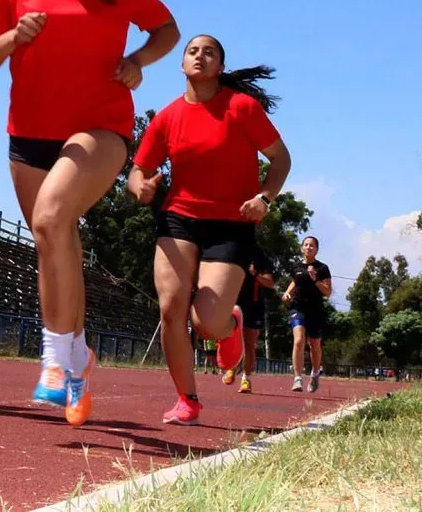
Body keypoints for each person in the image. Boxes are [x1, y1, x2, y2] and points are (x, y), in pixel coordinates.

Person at [0, 0, 180, 427]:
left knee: (53, 215)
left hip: (99, 126)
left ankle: (56, 362)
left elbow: (166, 30)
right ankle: (80, 356)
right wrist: (14, 37)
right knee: (50, 239)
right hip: (29, 133)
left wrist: (137, 62)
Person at [128, 34, 291, 426]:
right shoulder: (167, 118)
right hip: (178, 218)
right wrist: (141, 186)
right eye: (192, 51)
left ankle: (230, 325)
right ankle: (187, 399)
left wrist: (264, 199)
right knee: (170, 307)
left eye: (210, 52)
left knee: (206, 323)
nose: (200, 56)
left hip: (231, 222)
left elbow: (280, 159)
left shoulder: (242, 108)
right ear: (182, 64)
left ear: (220, 67)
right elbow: (138, 170)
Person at [281, 236, 332, 392]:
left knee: (314, 344)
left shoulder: (322, 268)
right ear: (302, 248)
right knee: (298, 341)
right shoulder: (296, 266)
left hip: (315, 310)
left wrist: (315, 279)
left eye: (312, 245)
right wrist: (287, 293)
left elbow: (328, 292)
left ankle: (315, 374)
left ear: (316, 249)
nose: (309, 247)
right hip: (298, 307)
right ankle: (297, 378)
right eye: (306, 245)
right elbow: (296, 281)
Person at [223, 245, 276, 393]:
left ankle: (246, 378)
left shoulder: (259, 256)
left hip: (254, 306)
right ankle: (232, 368)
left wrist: (255, 274)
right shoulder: (230, 251)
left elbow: (271, 282)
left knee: (249, 343)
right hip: (233, 303)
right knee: (231, 338)